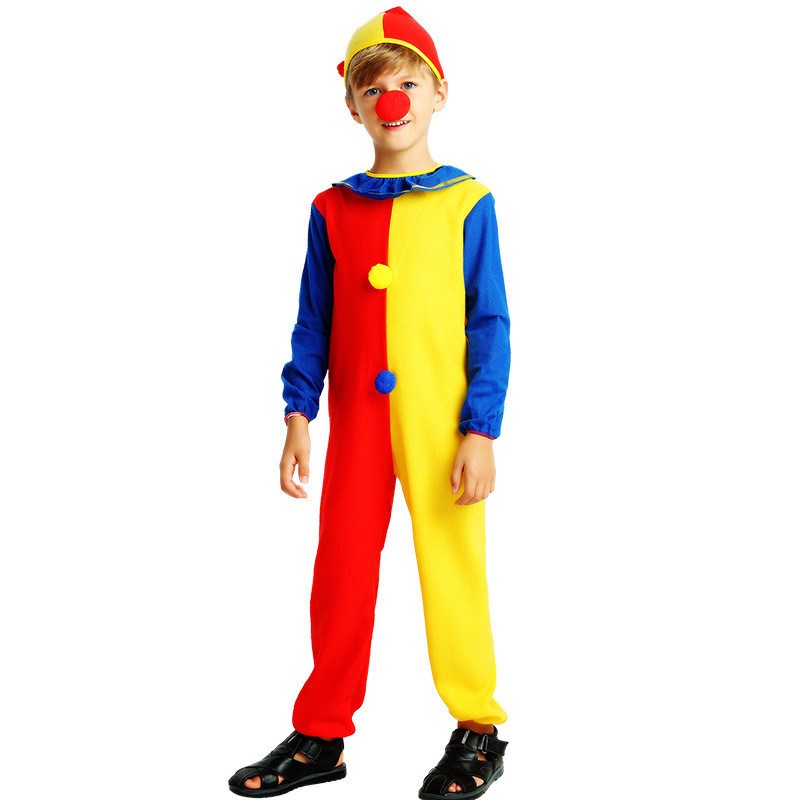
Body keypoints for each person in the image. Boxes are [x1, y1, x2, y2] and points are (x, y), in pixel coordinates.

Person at [228, 7, 511, 798]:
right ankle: (322, 733)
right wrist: (297, 414)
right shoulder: (332, 208)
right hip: (357, 419)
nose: (393, 100)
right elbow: (313, 320)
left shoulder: (467, 202)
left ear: (439, 93)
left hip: (441, 422)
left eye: (408, 84)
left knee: (452, 565)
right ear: (352, 105)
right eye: (374, 88)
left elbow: (489, 321)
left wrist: (480, 429)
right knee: (341, 570)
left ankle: (478, 726)